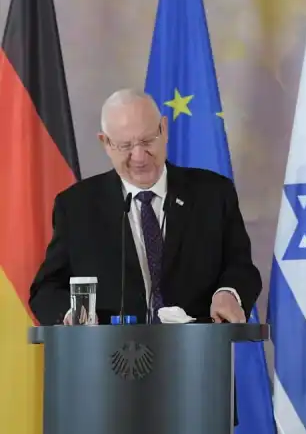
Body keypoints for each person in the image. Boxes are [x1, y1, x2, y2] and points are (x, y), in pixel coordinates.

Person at [29, 89, 261, 326]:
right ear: (105, 143)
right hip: (110, 356)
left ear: (164, 129)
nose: (139, 157)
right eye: (125, 146)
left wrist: (229, 293)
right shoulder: (76, 206)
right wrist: (73, 314)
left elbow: (241, 268)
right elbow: (46, 290)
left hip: (196, 353)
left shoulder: (213, 194)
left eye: (147, 141)